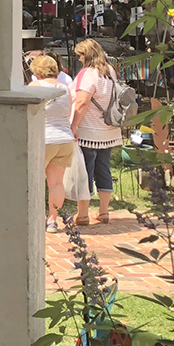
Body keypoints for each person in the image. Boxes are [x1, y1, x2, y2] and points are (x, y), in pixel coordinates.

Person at [70, 38, 122, 226]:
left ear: (86, 55)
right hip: (108, 129)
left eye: (80, 55)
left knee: (85, 171)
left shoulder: (88, 74)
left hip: (88, 130)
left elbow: (82, 102)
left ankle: (83, 214)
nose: (79, 59)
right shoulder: (110, 71)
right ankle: (104, 211)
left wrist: (73, 125)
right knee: (104, 169)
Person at [27, 55, 72, 231]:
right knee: (57, 183)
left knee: (34, 181)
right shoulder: (65, 88)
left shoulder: (35, 86)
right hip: (64, 138)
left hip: (44, 138)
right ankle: (52, 220)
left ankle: (35, 218)